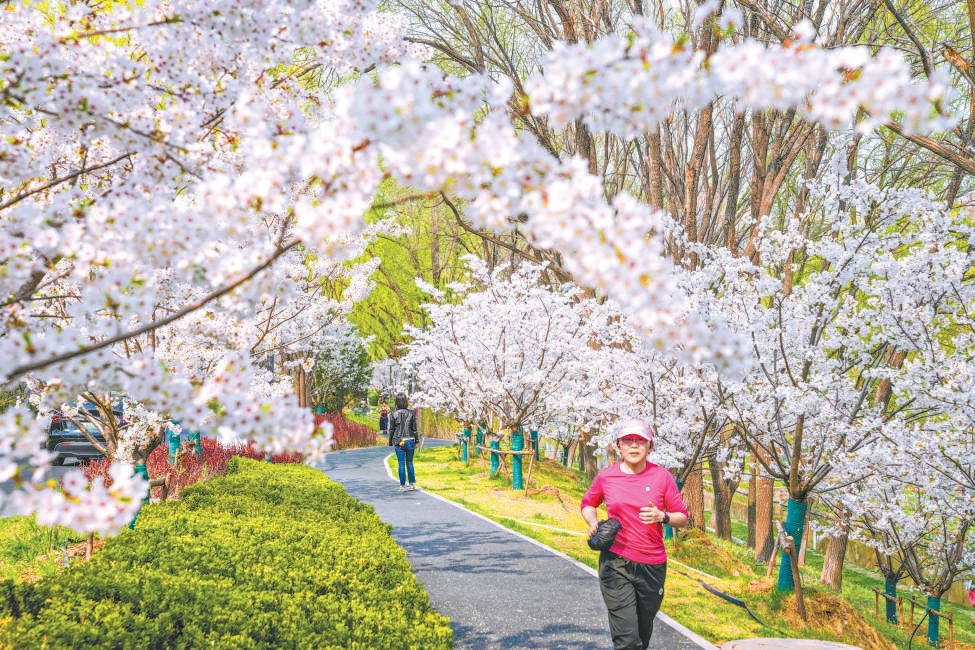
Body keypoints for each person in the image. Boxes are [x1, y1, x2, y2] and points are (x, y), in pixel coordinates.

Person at [580, 418, 689, 650]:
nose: (633, 445)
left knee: (642, 635)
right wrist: (593, 521)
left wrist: (664, 517)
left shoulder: (662, 477)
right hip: (615, 563)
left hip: (652, 566)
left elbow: (683, 517)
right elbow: (588, 504)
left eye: (640, 441)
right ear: (618, 446)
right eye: (627, 441)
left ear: (650, 446)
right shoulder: (607, 476)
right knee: (628, 641)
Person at [387, 392, 419, 492]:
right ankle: (412, 484)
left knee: (401, 463)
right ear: (406, 401)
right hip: (410, 440)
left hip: (398, 440)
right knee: (410, 462)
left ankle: (402, 486)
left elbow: (391, 429)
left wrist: (390, 442)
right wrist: (417, 441)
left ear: (396, 401)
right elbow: (414, 429)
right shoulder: (411, 413)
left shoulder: (393, 414)